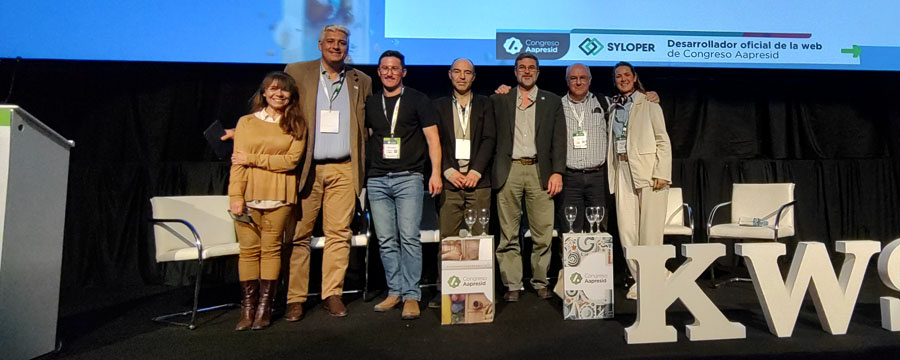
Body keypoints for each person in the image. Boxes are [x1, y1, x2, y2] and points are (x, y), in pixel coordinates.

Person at [282, 24, 372, 320]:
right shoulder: (297, 72)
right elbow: (277, 106)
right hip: (308, 168)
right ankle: (295, 298)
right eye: (331, 42)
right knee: (299, 235)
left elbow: (367, 126)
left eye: (342, 42)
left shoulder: (362, 80)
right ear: (319, 45)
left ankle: (332, 293)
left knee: (338, 234)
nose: (336, 46)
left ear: (348, 48)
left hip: (345, 168)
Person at [366, 50, 442, 319]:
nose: (389, 72)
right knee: (386, 240)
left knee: (409, 238)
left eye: (395, 68)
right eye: (384, 68)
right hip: (376, 180)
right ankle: (394, 291)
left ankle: (412, 295)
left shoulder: (418, 100)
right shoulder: (371, 103)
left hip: (409, 178)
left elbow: (433, 139)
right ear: (378, 72)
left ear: (403, 72)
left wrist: (435, 173)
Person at [228, 71, 307, 330]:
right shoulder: (246, 122)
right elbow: (237, 164)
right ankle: (248, 308)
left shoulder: (296, 124)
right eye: (273, 89)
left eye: (283, 90)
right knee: (249, 251)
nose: (278, 94)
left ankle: (265, 307)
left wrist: (253, 159)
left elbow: (291, 162)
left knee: (271, 249)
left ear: (291, 95)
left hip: (280, 197)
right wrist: (235, 196)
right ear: (264, 93)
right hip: (249, 197)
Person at [491, 53, 566, 302]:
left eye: (531, 68)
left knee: (542, 232)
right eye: (521, 67)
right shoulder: (500, 99)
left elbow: (559, 140)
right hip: (508, 170)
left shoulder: (552, 101)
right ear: (514, 72)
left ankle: (540, 280)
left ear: (538, 72)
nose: (526, 71)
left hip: (539, 172)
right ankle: (512, 284)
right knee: (508, 233)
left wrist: (557, 172)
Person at [429, 58, 496, 308]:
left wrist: (476, 171)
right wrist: (447, 170)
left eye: (467, 72)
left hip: (478, 182)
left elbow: (490, 138)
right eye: (457, 72)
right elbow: (435, 142)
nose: (462, 76)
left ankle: (479, 287)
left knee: (479, 238)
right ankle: (444, 289)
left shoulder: (486, 104)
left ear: (474, 77)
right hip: (450, 182)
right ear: (449, 75)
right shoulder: (437, 106)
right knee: (448, 239)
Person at [606, 61, 672, 300]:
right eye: (618, 76)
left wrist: (662, 173)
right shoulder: (613, 107)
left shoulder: (649, 102)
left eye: (626, 75)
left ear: (634, 77)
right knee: (627, 231)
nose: (622, 79)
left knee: (650, 232)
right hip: (622, 170)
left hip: (649, 172)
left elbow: (663, 140)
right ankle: (643, 279)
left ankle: (652, 282)